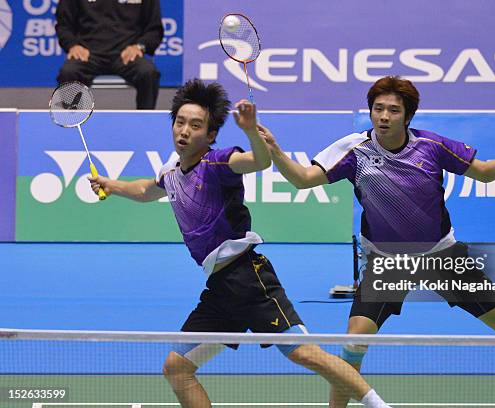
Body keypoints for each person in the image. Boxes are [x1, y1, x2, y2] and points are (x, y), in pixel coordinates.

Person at [258, 76, 495, 408]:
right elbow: (303, 179)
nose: (383, 116)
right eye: (377, 108)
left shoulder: (432, 146)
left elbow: (484, 172)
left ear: (407, 116)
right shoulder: (355, 149)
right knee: (353, 343)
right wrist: (276, 151)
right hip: (386, 260)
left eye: (393, 110)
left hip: (441, 253)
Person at [88, 79, 393, 408]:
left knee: (306, 354)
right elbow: (147, 190)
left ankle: (380, 407)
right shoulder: (171, 170)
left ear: (210, 135)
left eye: (195, 125)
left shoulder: (217, 162)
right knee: (178, 368)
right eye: (179, 122)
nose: (184, 131)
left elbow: (259, 161)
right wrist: (111, 184)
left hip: (249, 279)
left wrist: (250, 130)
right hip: (220, 288)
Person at [55, 0, 163, 109]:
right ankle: (72, 120)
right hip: (87, 54)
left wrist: (139, 46)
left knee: (148, 72)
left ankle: (145, 122)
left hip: (126, 55)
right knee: (68, 72)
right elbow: (63, 26)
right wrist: (73, 45)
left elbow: (154, 29)